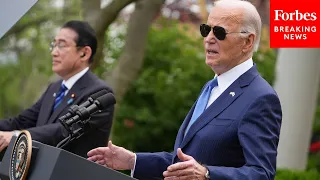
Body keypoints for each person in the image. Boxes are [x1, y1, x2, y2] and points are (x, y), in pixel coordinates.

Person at [87, 0, 282, 179]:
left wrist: (207, 174)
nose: (209, 39)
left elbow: (262, 173)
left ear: (247, 42)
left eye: (220, 32)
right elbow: (183, 163)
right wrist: (132, 161)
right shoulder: (212, 87)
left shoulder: (260, 98)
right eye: (206, 29)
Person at [0, 20, 114, 158]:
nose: (54, 52)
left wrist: (17, 136)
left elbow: (65, 130)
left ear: (84, 53)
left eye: (61, 45)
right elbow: (21, 122)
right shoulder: (54, 89)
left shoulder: (100, 94)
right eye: (54, 45)